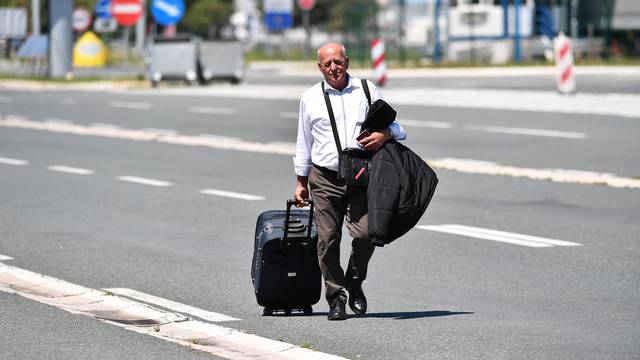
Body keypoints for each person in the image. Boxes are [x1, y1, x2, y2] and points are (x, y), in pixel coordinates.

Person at [293, 42, 406, 320]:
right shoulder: (310, 98)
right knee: (328, 239)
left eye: (338, 61)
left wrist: (385, 136)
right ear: (319, 67)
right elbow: (303, 143)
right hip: (325, 178)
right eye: (327, 63)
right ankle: (336, 297)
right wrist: (301, 182)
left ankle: (354, 281)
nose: (334, 67)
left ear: (347, 61)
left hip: (361, 176)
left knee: (368, 234)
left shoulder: (367, 91)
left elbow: (397, 128)